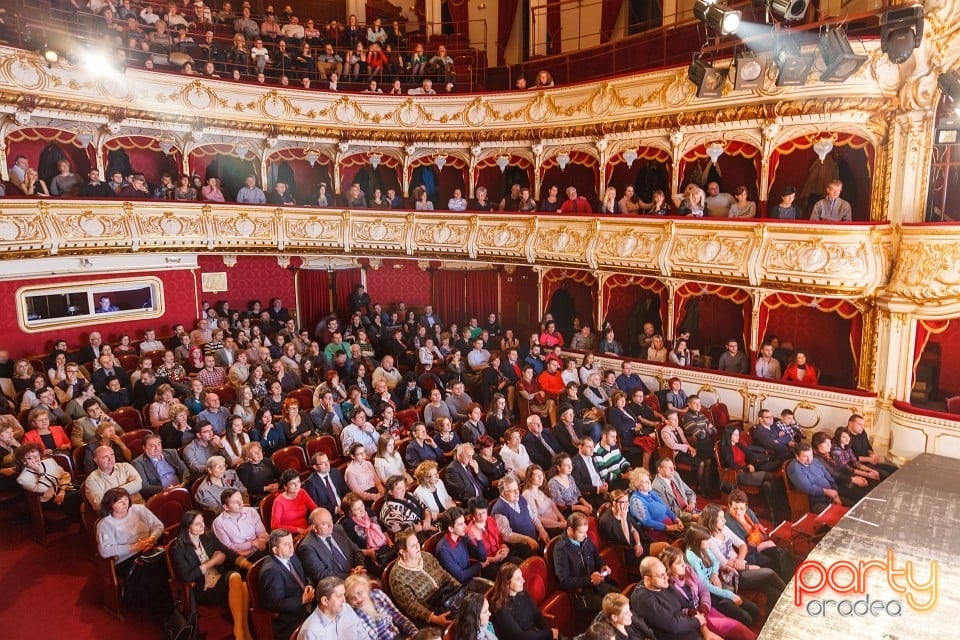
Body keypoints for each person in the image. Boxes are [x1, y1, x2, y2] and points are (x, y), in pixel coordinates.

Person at [96, 486, 175, 624]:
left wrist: (151, 538)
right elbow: (105, 550)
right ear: (110, 504)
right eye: (120, 502)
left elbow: (159, 526)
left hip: (149, 547)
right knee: (151, 575)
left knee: (171, 563)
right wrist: (134, 547)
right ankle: (162, 612)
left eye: (126, 500)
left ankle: (174, 604)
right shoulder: (105, 524)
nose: (125, 504)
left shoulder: (139, 509)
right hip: (126, 558)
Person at [169, 510, 252, 640]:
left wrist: (246, 564)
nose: (202, 526)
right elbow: (186, 576)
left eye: (202, 522)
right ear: (188, 527)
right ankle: (243, 632)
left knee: (244, 585)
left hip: (219, 577)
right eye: (198, 524)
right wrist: (212, 562)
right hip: (202, 586)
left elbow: (226, 552)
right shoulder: (178, 549)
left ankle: (240, 629)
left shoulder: (207, 536)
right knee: (241, 585)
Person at [659, 546, 749, 640]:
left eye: (682, 560)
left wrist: (705, 606)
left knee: (739, 628)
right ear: (668, 566)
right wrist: (691, 613)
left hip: (704, 610)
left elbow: (703, 590)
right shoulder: (667, 586)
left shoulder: (688, 569)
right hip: (692, 621)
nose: (684, 565)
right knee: (734, 630)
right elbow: (675, 613)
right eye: (678, 563)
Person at [683, 525, 757, 627]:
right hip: (708, 593)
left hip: (717, 584)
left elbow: (715, 561)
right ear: (697, 541)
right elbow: (705, 585)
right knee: (746, 618)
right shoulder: (691, 557)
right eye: (706, 540)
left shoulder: (703, 547)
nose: (709, 543)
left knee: (754, 610)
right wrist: (730, 595)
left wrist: (714, 574)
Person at [388, 528, 461, 627]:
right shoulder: (397, 577)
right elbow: (412, 606)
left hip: (448, 598)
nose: (418, 547)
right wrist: (435, 619)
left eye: (418, 543)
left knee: (473, 607)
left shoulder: (426, 556)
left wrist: (460, 589)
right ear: (402, 552)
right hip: (432, 612)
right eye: (413, 546)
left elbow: (444, 574)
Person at [553, 512, 618, 612]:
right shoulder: (561, 549)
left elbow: (597, 557)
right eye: (581, 532)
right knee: (612, 609)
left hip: (597, 585)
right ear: (570, 530)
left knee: (621, 598)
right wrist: (590, 580)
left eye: (586, 532)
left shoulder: (585, 539)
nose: (586, 536)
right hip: (582, 594)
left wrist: (603, 566)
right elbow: (564, 581)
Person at [724, 490, 794, 582]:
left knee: (782, 553)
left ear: (746, 506)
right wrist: (761, 546)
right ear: (729, 505)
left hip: (758, 546)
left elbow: (763, 533)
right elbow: (743, 546)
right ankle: (784, 582)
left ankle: (790, 580)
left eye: (741, 508)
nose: (738, 512)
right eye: (735, 508)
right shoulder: (729, 523)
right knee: (772, 561)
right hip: (748, 555)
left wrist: (762, 541)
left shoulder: (748, 512)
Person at [259, 528, 314, 640]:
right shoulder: (272, 572)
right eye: (286, 544)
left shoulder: (291, 555)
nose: (291, 547)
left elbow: (305, 574)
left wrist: (308, 584)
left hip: (307, 606)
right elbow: (276, 603)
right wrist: (302, 600)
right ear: (275, 549)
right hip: (290, 619)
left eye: (291, 543)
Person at [631, 556, 705, 640]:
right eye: (661, 575)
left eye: (665, 572)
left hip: (689, 629)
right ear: (647, 580)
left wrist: (705, 630)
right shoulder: (643, 600)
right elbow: (672, 625)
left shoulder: (663, 584)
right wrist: (697, 621)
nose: (667, 577)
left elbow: (687, 604)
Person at [489, 562, 556, 640]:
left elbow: (537, 615)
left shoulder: (522, 592)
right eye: (518, 579)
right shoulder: (500, 607)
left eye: (521, 576)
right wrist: (549, 633)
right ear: (507, 583)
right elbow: (519, 637)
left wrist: (549, 634)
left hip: (534, 634)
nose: (523, 580)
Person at [298, 507, 366, 583]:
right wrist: (350, 575)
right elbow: (321, 574)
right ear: (314, 528)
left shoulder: (338, 529)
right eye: (324, 523)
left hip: (357, 575)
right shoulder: (307, 547)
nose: (330, 525)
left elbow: (356, 550)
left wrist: (360, 566)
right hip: (337, 585)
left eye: (330, 520)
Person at [344, 573, 419, 640]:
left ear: (367, 588)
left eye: (359, 593)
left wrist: (415, 634)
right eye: (352, 598)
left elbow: (399, 617)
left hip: (398, 635)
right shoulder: (354, 616)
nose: (358, 599)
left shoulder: (378, 595)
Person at [16, 443, 81, 514]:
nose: (37, 459)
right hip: (50, 500)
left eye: (37, 455)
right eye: (32, 457)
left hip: (64, 489)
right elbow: (42, 489)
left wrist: (62, 492)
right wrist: (40, 471)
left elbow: (65, 475)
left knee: (86, 488)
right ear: (23, 460)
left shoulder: (49, 462)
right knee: (81, 495)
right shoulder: (23, 479)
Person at [212, 487, 270, 560]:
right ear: (226, 507)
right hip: (240, 558)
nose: (240, 503)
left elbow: (262, 534)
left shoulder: (251, 512)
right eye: (235, 502)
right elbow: (228, 547)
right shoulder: (218, 523)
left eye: (241, 499)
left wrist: (260, 542)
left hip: (260, 549)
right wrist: (251, 543)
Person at [435, 506, 489, 583]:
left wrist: (478, 539)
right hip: (459, 588)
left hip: (470, 580)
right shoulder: (443, 550)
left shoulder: (462, 537)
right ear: (451, 529)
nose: (465, 526)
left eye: (464, 522)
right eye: (461, 524)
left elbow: (482, 558)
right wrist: (480, 565)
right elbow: (460, 577)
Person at [84, 444, 144, 510]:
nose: (110, 459)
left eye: (112, 455)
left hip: (137, 506)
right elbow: (99, 504)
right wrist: (128, 485)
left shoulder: (125, 466)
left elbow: (138, 484)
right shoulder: (92, 480)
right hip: (113, 514)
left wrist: (109, 495)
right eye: (105, 457)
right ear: (96, 461)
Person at [132, 432, 188, 498]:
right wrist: (165, 489)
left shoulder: (171, 453)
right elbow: (144, 487)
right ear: (144, 448)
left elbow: (185, 471)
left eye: (158, 444)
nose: (157, 448)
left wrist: (183, 484)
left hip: (181, 487)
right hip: (162, 494)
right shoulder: (138, 463)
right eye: (152, 445)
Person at [844, 413, 897, 478]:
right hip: (858, 465)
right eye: (859, 424)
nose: (862, 427)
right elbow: (851, 458)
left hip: (869, 461)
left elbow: (868, 447)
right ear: (850, 423)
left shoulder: (862, 432)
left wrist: (873, 455)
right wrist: (869, 459)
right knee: (884, 474)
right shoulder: (845, 437)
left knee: (895, 469)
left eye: (863, 425)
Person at [651, 458, 700, 525]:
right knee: (703, 529)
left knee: (713, 516)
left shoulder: (675, 475)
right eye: (669, 468)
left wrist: (692, 503)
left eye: (673, 466)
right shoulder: (657, 488)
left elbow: (690, 492)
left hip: (691, 511)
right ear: (659, 469)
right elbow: (668, 512)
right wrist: (691, 517)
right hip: (679, 519)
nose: (672, 470)